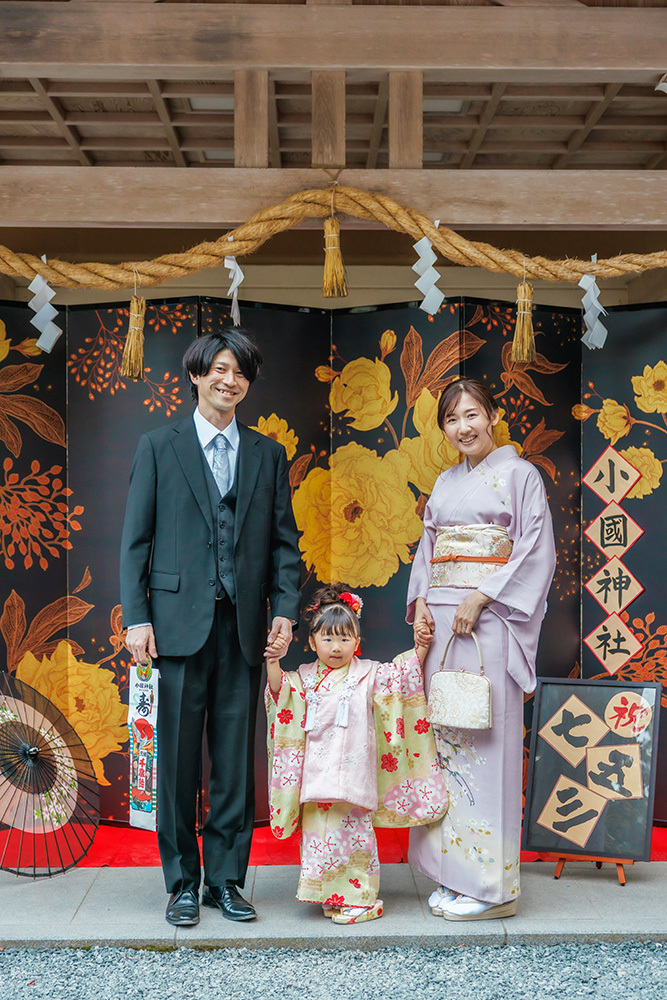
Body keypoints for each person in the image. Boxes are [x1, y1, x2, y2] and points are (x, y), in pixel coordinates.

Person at [120, 329, 301, 927]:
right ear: (196, 375)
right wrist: (138, 618)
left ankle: (227, 880)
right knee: (176, 764)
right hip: (174, 627)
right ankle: (181, 885)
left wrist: (283, 609)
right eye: (219, 370)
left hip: (243, 628)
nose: (229, 381)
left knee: (233, 761)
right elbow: (135, 543)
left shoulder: (267, 454)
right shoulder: (157, 445)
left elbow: (283, 545)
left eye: (240, 372)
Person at [407, 377, 556, 921]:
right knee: (445, 742)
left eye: (472, 414)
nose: (463, 427)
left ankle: (492, 888)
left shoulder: (520, 475)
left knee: (485, 742)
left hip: (490, 622)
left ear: (492, 416)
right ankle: (453, 873)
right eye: (452, 419)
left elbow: (535, 549)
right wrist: (421, 601)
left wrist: (483, 594)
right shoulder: (445, 483)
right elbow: (428, 548)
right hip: (445, 621)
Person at [265, 584, 448, 924]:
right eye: (328, 639)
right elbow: (280, 695)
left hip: (354, 774)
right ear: (312, 641)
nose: (337, 647)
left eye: (345, 639)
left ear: (357, 640)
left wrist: (420, 649)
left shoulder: (369, 674)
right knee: (320, 839)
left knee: (353, 838)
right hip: (317, 776)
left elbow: (401, 680)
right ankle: (329, 895)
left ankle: (362, 900)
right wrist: (274, 662)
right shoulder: (304, 678)